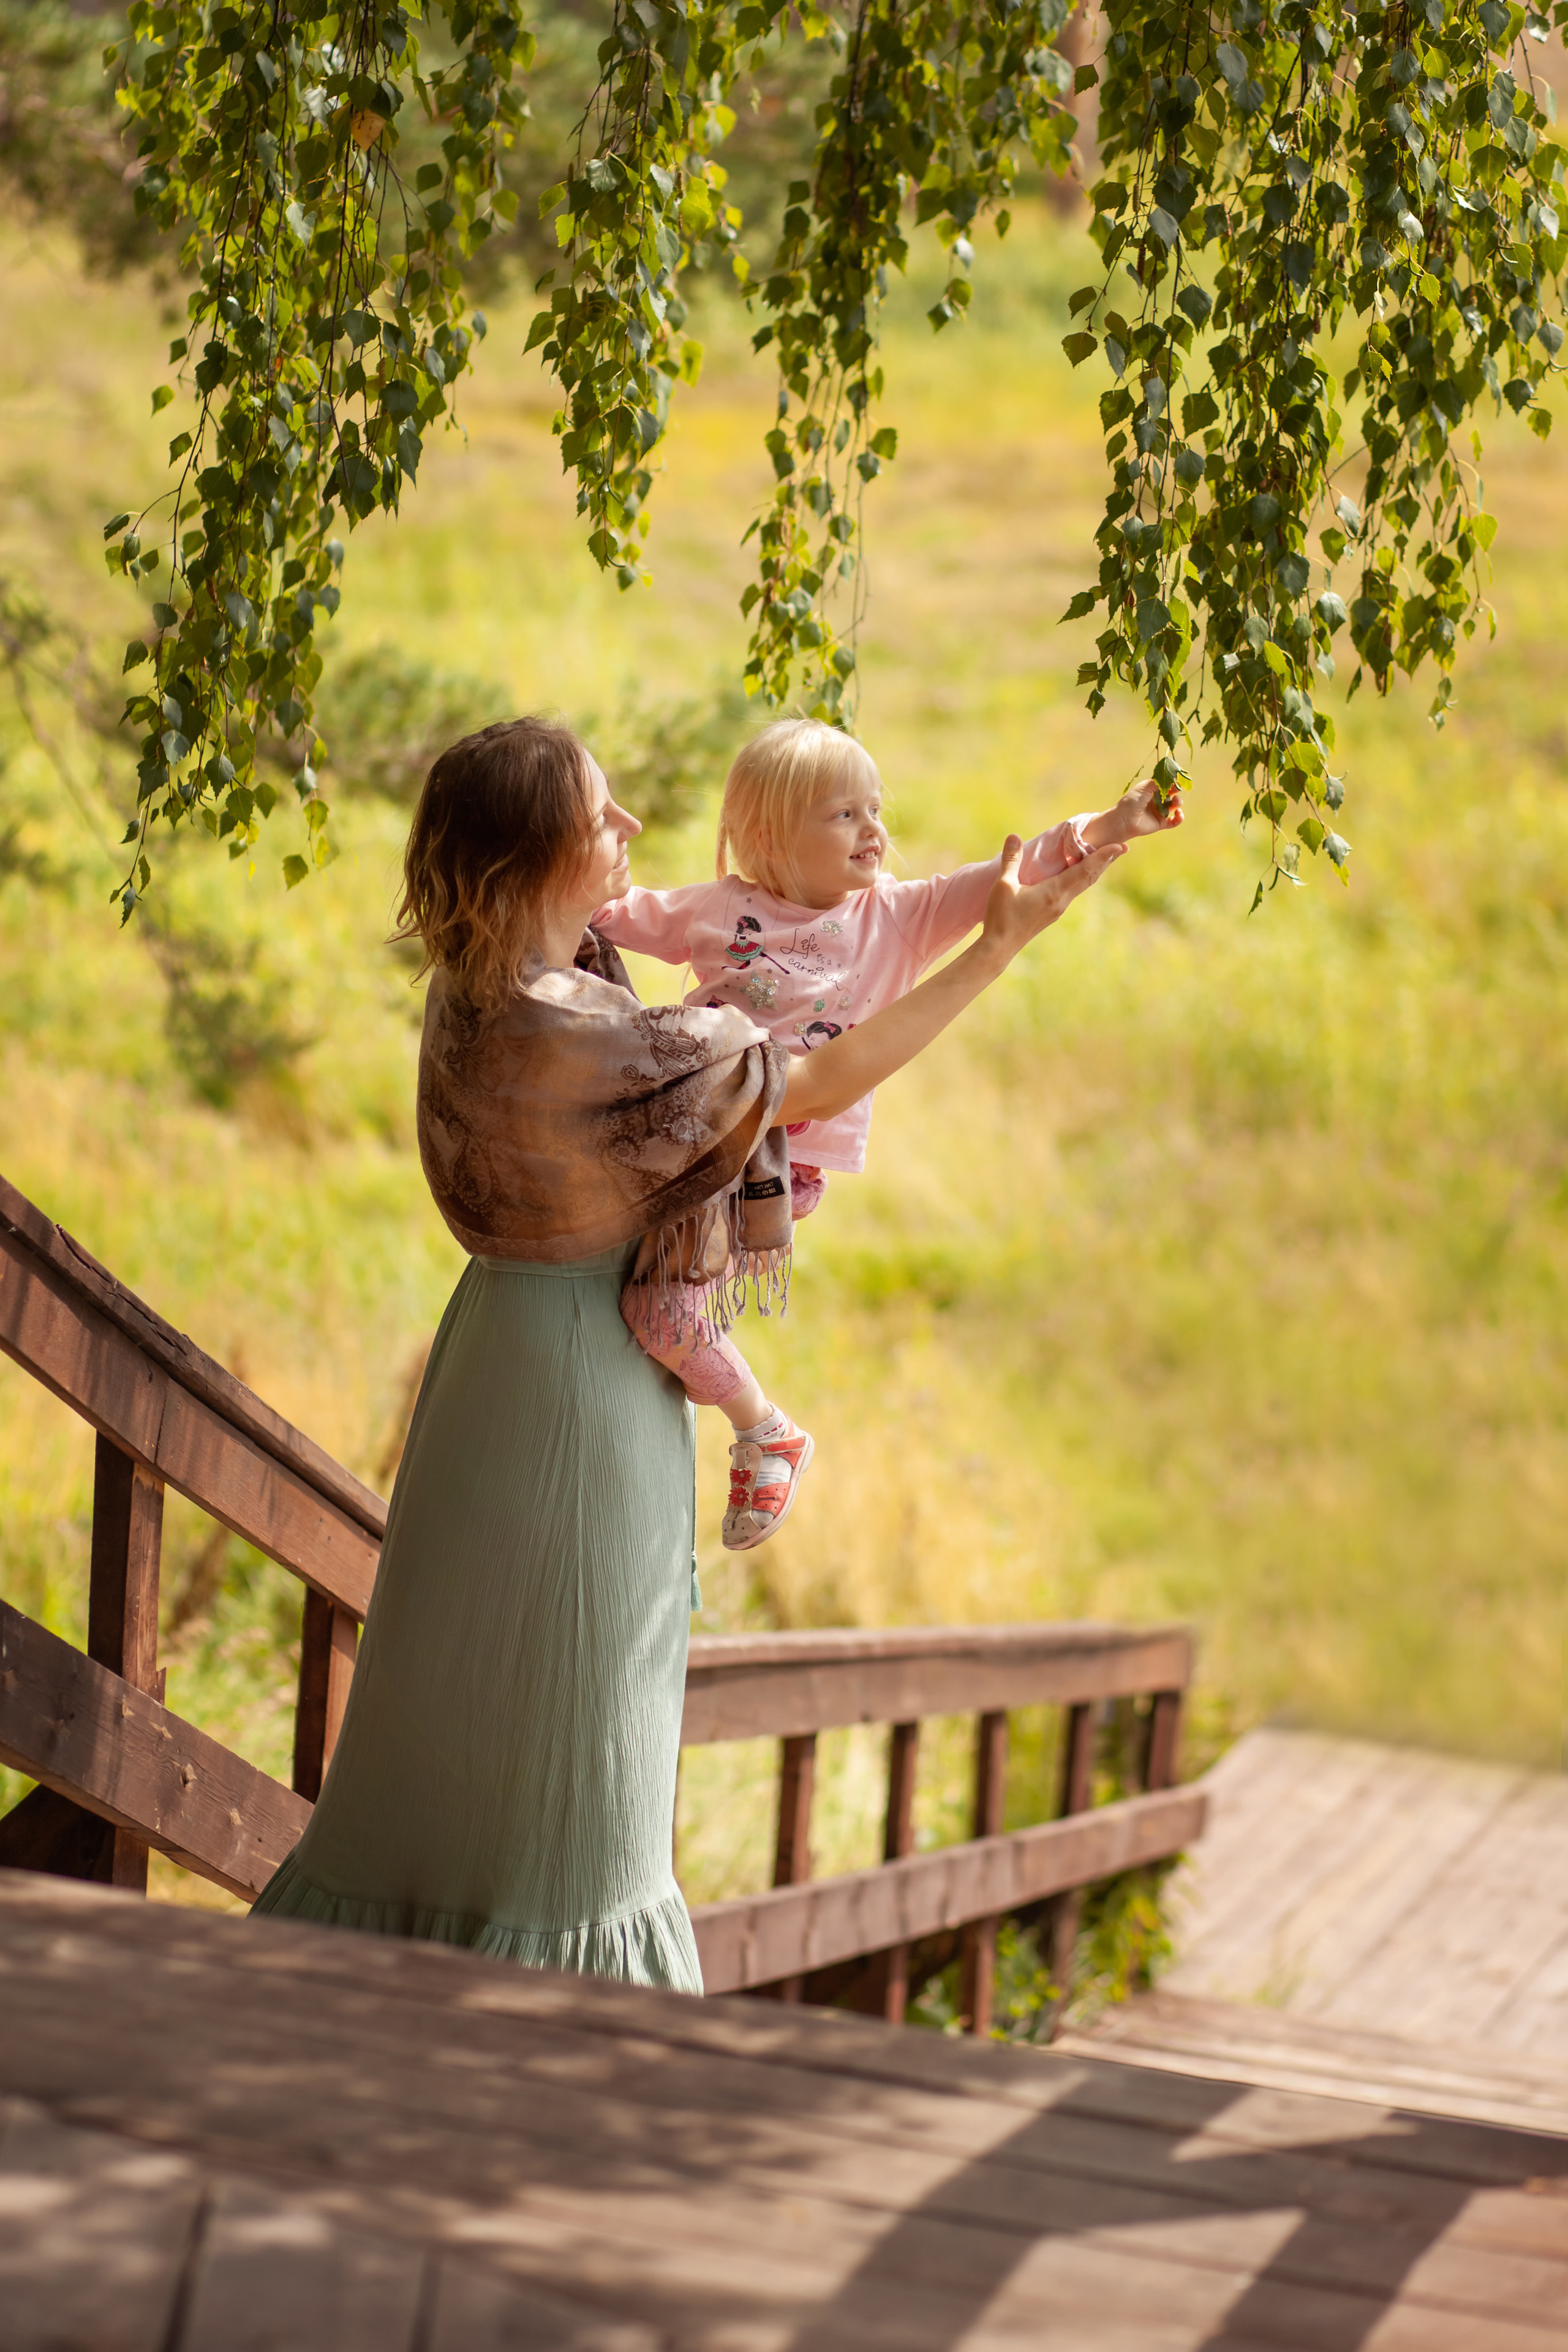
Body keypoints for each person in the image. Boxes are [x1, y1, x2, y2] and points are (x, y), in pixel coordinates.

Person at [252, 714, 1126, 1994]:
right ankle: (568, 2035)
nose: (627, 828)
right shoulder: (577, 1027)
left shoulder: (483, 989)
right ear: (536, 854)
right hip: (582, 1383)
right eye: (597, 814)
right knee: (573, 1743)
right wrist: (995, 945)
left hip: (494, 1355)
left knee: (450, 1710)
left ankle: (369, 2011)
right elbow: (805, 1085)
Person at [594, 717, 1183, 1552]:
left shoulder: (897, 917)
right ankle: (715, 1396)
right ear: (769, 835)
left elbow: (1012, 872)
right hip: (694, 1139)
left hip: (771, 1170)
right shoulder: (716, 910)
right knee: (651, 1307)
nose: (873, 830)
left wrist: (1113, 824)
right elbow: (608, 916)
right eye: (844, 815)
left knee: (659, 1315)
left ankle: (765, 1431)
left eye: (875, 810)